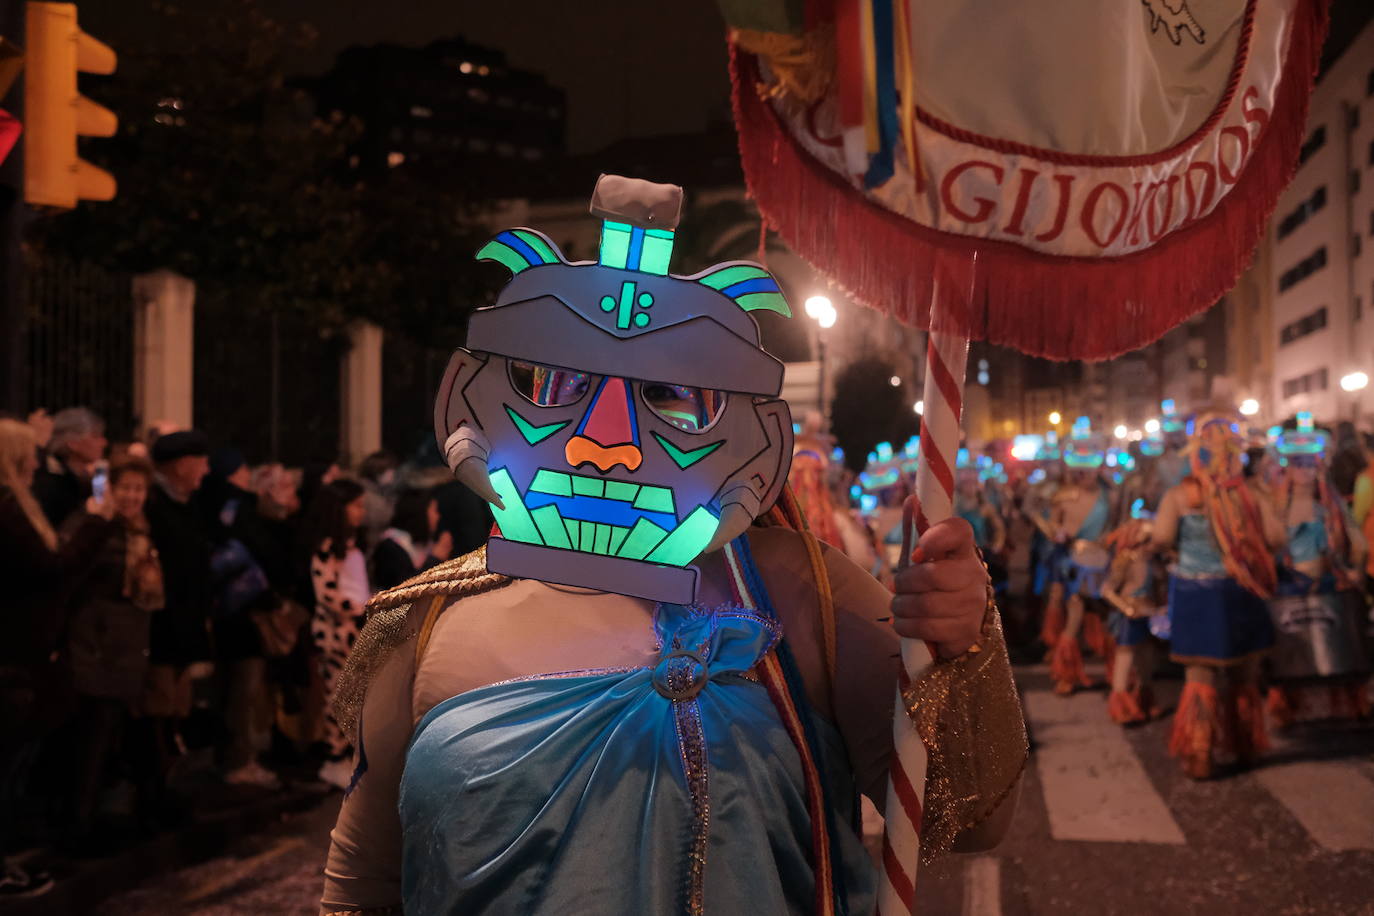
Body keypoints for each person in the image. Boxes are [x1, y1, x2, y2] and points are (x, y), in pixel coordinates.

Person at [318, 176, 1026, 915]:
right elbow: (363, 885)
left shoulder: (806, 596)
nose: (607, 447)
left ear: (759, 441)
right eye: (563, 386)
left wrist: (964, 646)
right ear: (468, 391)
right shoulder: (422, 622)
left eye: (665, 397)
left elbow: (968, 819)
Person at [0, 418, 114, 897]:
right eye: (27, 454)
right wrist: (92, 523)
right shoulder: (7, 510)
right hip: (15, 658)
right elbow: (50, 569)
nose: (34, 463)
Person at [1153, 411, 1286, 779]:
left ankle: (1200, 752)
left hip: (1195, 592)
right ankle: (1244, 744)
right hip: (1241, 592)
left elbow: (1162, 538)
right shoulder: (1251, 494)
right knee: (1244, 672)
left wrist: (1169, 548)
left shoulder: (1181, 494)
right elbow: (1276, 539)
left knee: (1200, 674)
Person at [59, 458, 164, 853]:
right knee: (91, 741)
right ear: (110, 489)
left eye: (139, 489)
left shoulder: (142, 531)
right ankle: (77, 828)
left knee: (112, 740)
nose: (132, 497)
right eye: (125, 488)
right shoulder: (93, 527)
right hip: (95, 648)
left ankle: (100, 819)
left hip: (128, 651)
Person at [1265, 416, 1368, 725]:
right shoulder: (1276, 506)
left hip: (1327, 580)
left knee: (1343, 647)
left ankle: (1351, 703)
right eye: (1298, 465)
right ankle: (1286, 706)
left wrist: (1356, 572)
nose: (1305, 471)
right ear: (1287, 467)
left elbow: (1357, 541)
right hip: (1288, 586)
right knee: (1288, 653)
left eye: (1310, 465)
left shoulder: (1331, 504)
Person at [141, 430, 214, 815]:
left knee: (175, 712)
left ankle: (167, 790)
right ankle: (152, 796)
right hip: (163, 631)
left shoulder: (189, 505)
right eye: (200, 461)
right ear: (181, 464)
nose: (205, 469)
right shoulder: (155, 509)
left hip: (184, 629)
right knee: (157, 712)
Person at [302, 478, 371, 788]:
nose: (362, 511)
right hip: (335, 634)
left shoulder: (349, 545)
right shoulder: (327, 547)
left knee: (352, 697)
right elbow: (326, 593)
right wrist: (358, 609)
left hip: (351, 631)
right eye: (356, 505)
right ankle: (333, 760)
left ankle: (344, 758)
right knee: (339, 697)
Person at [1046, 420, 1117, 696]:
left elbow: (1117, 524)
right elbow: (1053, 526)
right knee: (1073, 618)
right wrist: (1058, 533)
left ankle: (1117, 673)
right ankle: (1066, 674)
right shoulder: (1063, 497)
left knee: (1111, 621)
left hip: (1105, 564)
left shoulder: (1111, 496)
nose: (1084, 473)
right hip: (1075, 565)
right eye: (1079, 468)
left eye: (1089, 467)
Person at [1100, 511, 1164, 724]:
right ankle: (1121, 705)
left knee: (1146, 659)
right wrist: (1125, 608)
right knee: (1125, 657)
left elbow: (1158, 587)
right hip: (1130, 614)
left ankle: (1145, 699)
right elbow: (1107, 590)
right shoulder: (1126, 560)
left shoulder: (1154, 562)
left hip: (1148, 612)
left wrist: (1161, 607)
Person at [32, 406, 106, 529]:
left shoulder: (84, 479)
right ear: (73, 443)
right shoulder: (52, 484)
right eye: (95, 436)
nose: (104, 442)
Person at [371, 487, 452, 591]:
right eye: (434, 511)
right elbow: (404, 589)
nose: (438, 517)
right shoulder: (391, 546)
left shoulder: (419, 543)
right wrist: (435, 559)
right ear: (420, 513)